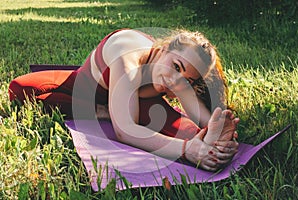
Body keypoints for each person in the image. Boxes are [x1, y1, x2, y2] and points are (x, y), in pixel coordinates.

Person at [9, 28, 239, 171]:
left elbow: (199, 113)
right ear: (165, 48)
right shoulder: (128, 57)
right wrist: (187, 150)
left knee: (184, 130)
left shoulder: (174, 74)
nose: (174, 81)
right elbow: (125, 130)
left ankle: (112, 111)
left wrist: (217, 133)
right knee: (21, 89)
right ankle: (106, 111)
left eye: (187, 79)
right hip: (85, 90)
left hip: (140, 103)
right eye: (176, 67)